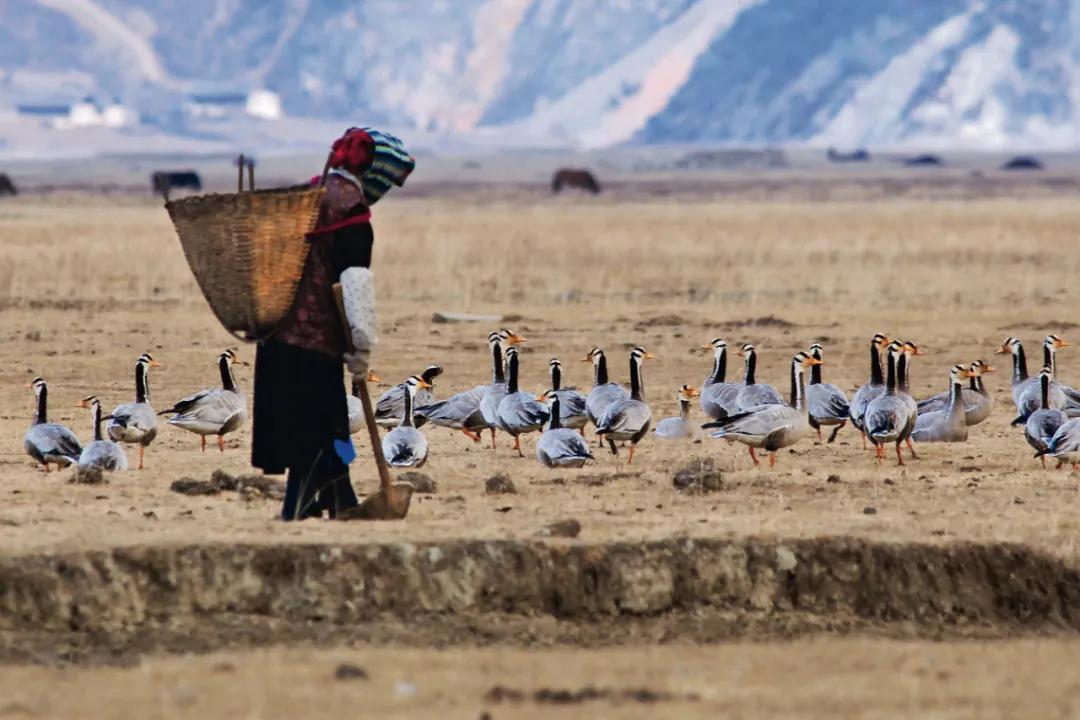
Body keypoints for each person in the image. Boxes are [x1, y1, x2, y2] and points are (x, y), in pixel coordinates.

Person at [252, 128, 411, 520]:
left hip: (276, 333)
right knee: (317, 428)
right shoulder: (352, 214)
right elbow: (354, 285)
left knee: (311, 426)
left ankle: (339, 502)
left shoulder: (308, 197)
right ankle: (300, 508)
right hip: (313, 341)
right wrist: (362, 346)